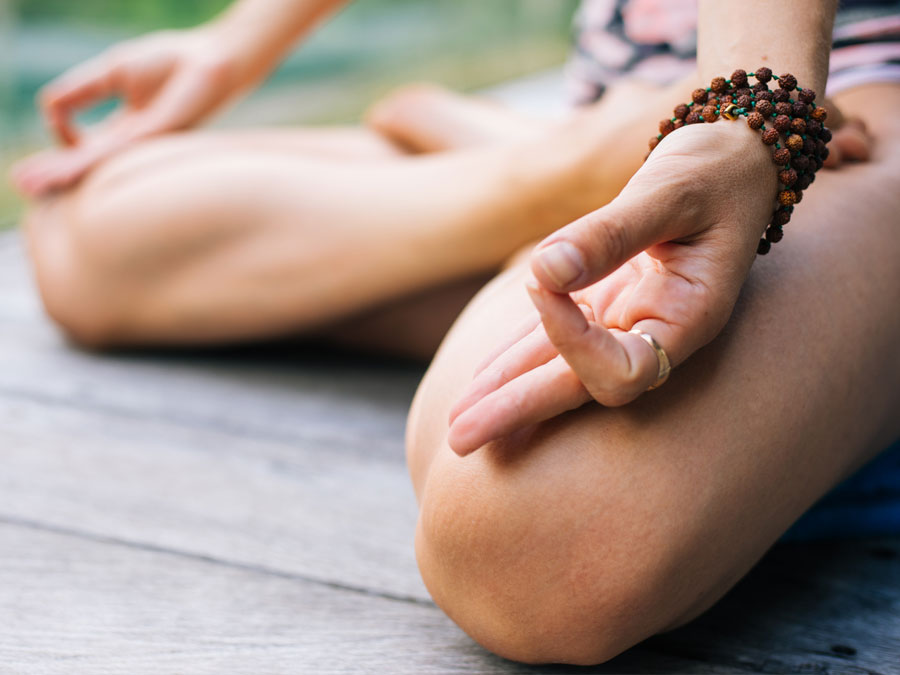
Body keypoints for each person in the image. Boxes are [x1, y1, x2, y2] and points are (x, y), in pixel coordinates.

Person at [11, 0, 900, 665]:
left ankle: (548, 169)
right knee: (87, 221)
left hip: (845, 112)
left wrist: (750, 122)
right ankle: (564, 171)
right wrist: (234, 42)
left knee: (539, 543)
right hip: (658, 106)